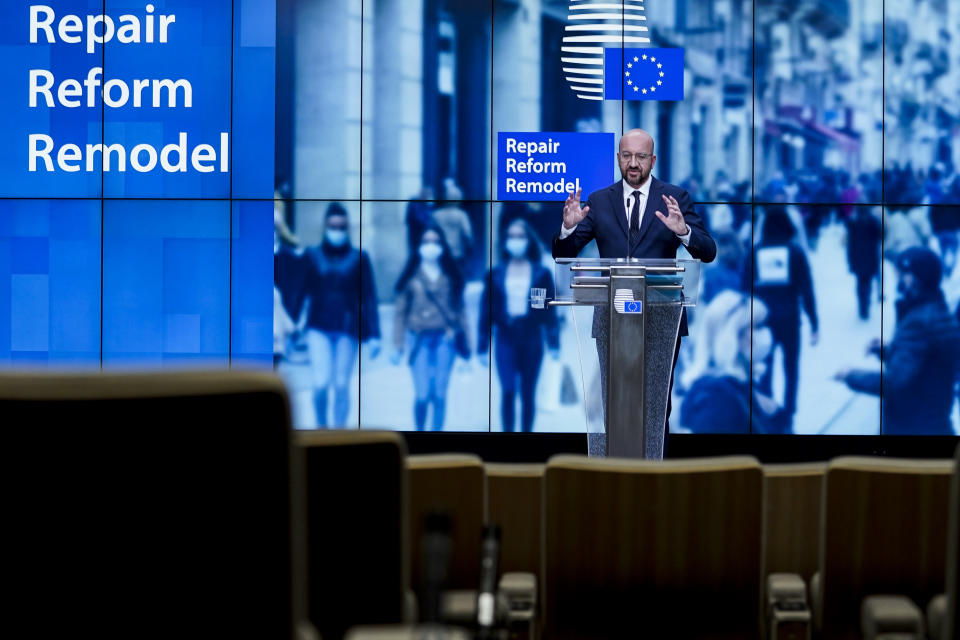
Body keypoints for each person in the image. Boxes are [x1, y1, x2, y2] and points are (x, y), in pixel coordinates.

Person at [552, 128, 717, 453]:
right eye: (627, 155)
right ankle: (617, 480)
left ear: (653, 160)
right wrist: (568, 228)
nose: (633, 163)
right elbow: (564, 253)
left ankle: (653, 481)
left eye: (641, 156)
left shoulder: (675, 198)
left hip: (662, 321)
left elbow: (708, 250)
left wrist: (684, 232)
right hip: (613, 319)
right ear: (617, 159)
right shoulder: (600, 200)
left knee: (656, 410)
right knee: (616, 408)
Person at [836, 247, 960, 435]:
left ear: (913, 278)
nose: (897, 280)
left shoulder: (919, 322)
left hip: (912, 425)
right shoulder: (938, 312)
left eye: (900, 274)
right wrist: (887, 350)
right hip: (934, 421)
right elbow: (925, 363)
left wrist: (851, 375)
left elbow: (895, 382)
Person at [297, 203, 381, 428]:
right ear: (325, 227)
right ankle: (322, 427)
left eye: (341, 226)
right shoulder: (312, 256)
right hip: (318, 326)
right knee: (321, 382)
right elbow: (301, 291)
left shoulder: (359, 258)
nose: (337, 231)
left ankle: (340, 430)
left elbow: (369, 296)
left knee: (342, 383)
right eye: (333, 226)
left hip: (348, 327)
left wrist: (375, 334)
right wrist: (293, 325)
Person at [478, 219, 560, 432]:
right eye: (511, 237)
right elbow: (485, 310)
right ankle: (507, 436)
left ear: (528, 240)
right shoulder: (494, 274)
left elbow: (549, 310)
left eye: (520, 236)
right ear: (505, 241)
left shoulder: (541, 273)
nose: (516, 241)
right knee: (507, 389)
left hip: (532, 337)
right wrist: (481, 344)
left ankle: (525, 436)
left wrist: (554, 342)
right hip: (505, 337)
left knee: (528, 392)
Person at [392, 223, 468, 431]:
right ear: (418, 246)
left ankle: (436, 437)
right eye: (426, 241)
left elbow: (461, 312)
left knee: (440, 394)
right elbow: (400, 313)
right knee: (423, 394)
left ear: (443, 245)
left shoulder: (452, 276)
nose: (431, 246)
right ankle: (420, 432)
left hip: (446, 339)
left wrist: (467, 349)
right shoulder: (411, 276)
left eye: (435, 241)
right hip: (418, 339)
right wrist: (398, 345)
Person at [753, 205, 818, 434]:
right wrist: (814, 323)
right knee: (791, 368)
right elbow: (807, 288)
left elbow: (743, 288)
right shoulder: (796, 252)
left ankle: (766, 412)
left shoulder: (755, 251)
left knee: (763, 367)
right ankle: (788, 414)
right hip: (790, 320)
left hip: (762, 322)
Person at [845, 207, 882, 320]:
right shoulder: (872, 221)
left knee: (860, 281)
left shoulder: (852, 221)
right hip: (870, 256)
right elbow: (880, 235)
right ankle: (865, 305)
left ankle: (862, 306)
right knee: (867, 281)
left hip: (856, 256)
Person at [431, 180, 474, 276]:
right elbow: (467, 234)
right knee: (457, 277)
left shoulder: (436, 215)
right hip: (457, 252)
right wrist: (470, 248)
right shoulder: (461, 215)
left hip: (440, 251)